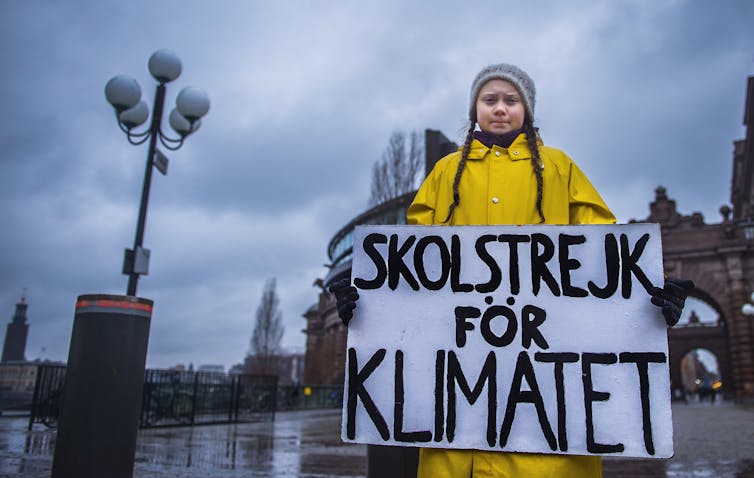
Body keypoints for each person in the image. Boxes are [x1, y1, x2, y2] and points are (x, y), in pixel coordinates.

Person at [331, 63, 693, 478]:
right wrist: (371, 299)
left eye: (511, 100)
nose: (500, 109)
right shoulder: (445, 173)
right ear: (474, 109)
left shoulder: (561, 168)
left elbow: (601, 255)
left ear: (528, 109)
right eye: (490, 100)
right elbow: (415, 268)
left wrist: (646, 293)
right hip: (456, 431)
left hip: (549, 440)